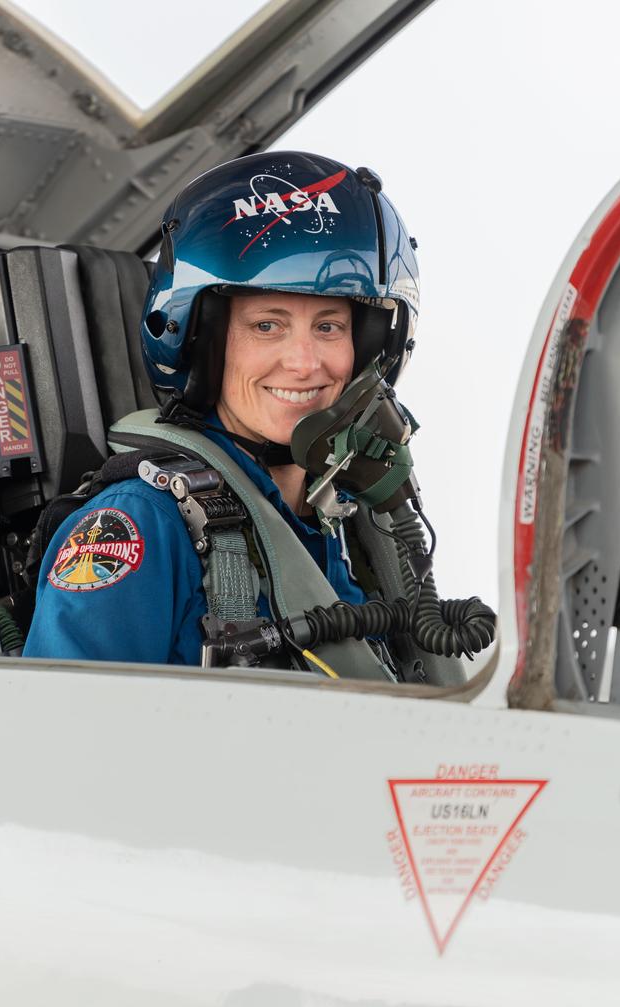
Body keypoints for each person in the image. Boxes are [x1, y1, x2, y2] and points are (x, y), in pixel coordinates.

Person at [23, 150, 438, 671]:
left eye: (329, 327)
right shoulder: (138, 526)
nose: (304, 363)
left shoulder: (355, 525)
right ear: (207, 343)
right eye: (268, 325)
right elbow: (57, 739)